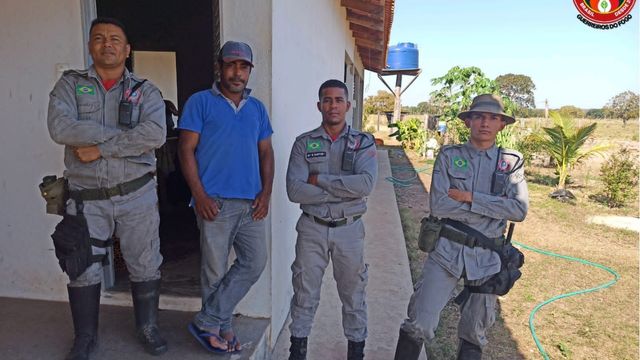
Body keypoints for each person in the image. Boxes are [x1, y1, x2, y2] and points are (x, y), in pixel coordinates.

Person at [47, 17, 168, 359]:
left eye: (115, 39)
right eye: (99, 38)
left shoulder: (146, 91)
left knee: (144, 262)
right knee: (82, 266)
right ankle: (85, 337)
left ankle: (148, 327)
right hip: (86, 200)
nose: (107, 44)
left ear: (127, 49)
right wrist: (123, 138)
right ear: (90, 46)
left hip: (137, 195)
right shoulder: (70, 85)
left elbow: (156, 135)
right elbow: (60, 127)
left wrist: (101, 147)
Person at [393, 94, 529, 360]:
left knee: (474, 333)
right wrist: (494, 205)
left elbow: (518, 210)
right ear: (468, 122)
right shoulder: (449, 156)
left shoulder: (511, 162)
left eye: (493, 118)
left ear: (502, 124)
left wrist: (470, 197)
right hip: (447, 251)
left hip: (488, 258)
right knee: (419, 322)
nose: (485, 123)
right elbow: (440, 207)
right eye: (478, 116)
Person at [177, 41, 274, 353]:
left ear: (249, 71)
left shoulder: (257, 108)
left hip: (251, 203)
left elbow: (266, 153)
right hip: (214, 202)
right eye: (231, 65)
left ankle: (208, 321)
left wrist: (266, 193)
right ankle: (221, 326)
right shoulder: (200, 102)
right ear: (219, 67)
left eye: (243, 66)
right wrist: (199, 195)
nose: (237, 72)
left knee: (254, 262)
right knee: (214, 272)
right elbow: (185, 150)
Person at [286, 79, 378, 360]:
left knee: (353, 295)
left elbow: (365, 185)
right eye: (327, 100)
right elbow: (294, 189)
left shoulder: (363, 143)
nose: (333, 105)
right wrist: (342, 191)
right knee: (304, 292)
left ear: (348, 105)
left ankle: (356, 352)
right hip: (312, 229)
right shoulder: (304, 143)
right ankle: (297, 351)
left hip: (349, 232)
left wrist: (322, 181)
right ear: (319, 105)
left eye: (339, 100)